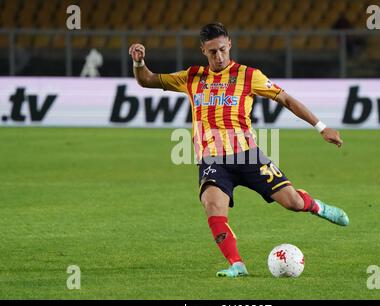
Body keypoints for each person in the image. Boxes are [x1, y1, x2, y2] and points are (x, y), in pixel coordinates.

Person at [129, 23, 349, 278]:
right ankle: (237, 264)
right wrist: (139, 62)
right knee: (212, 205)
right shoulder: (192, 77)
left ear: (230, 44)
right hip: (212, 160)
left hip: (248, 155)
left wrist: (322, 128)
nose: (219, 56)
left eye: (222, 49)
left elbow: (286, 99)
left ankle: (316, 207)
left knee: (292, 202)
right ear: (203, 50)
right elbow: (147, 80)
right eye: (212, 52)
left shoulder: (248, 75)